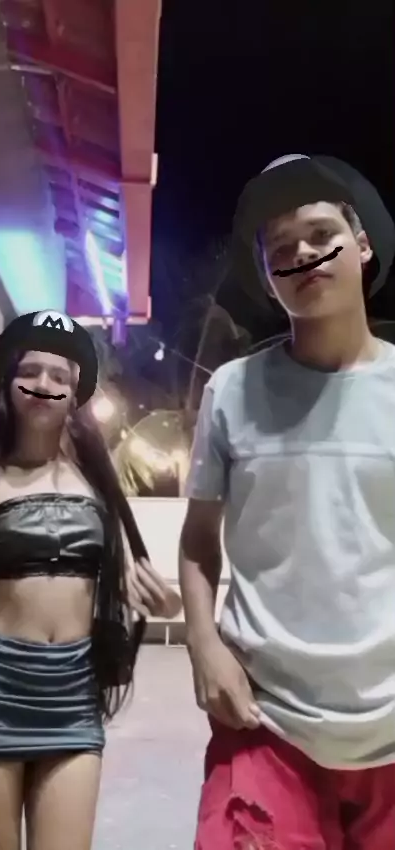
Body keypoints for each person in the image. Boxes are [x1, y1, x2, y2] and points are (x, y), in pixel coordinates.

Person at [179, 155, 395, 848]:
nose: (302, 253)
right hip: (264, 719)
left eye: (320, 233)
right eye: (280, 248)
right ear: (269, 278)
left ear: (362, 245)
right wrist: (204, 646)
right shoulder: (232, 391)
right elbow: (197, 541)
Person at [0, 310, 181, 850]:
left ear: (76, 392)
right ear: (6, 382)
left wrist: (166, 603)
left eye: (60, 375)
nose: (44, 383)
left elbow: (142, 591)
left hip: (72, 703)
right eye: (30, 370)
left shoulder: (98, 489)